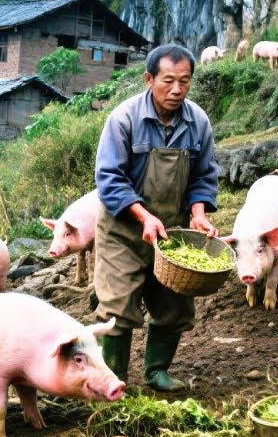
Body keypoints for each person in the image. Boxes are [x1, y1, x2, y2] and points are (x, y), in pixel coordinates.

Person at [93, 43, 219, 391]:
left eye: (184, 81)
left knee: (175, 305)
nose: (177, 89)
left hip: (171, 233)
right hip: (123, 231)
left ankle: (157, 372)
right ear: (149, 79)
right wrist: (144, 216)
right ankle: (113, 380)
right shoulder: (124, 119)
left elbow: (204, 175)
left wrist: (198, 212)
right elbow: (109, 179)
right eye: (168, 81)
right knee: (117, 307)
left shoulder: (198, 123)